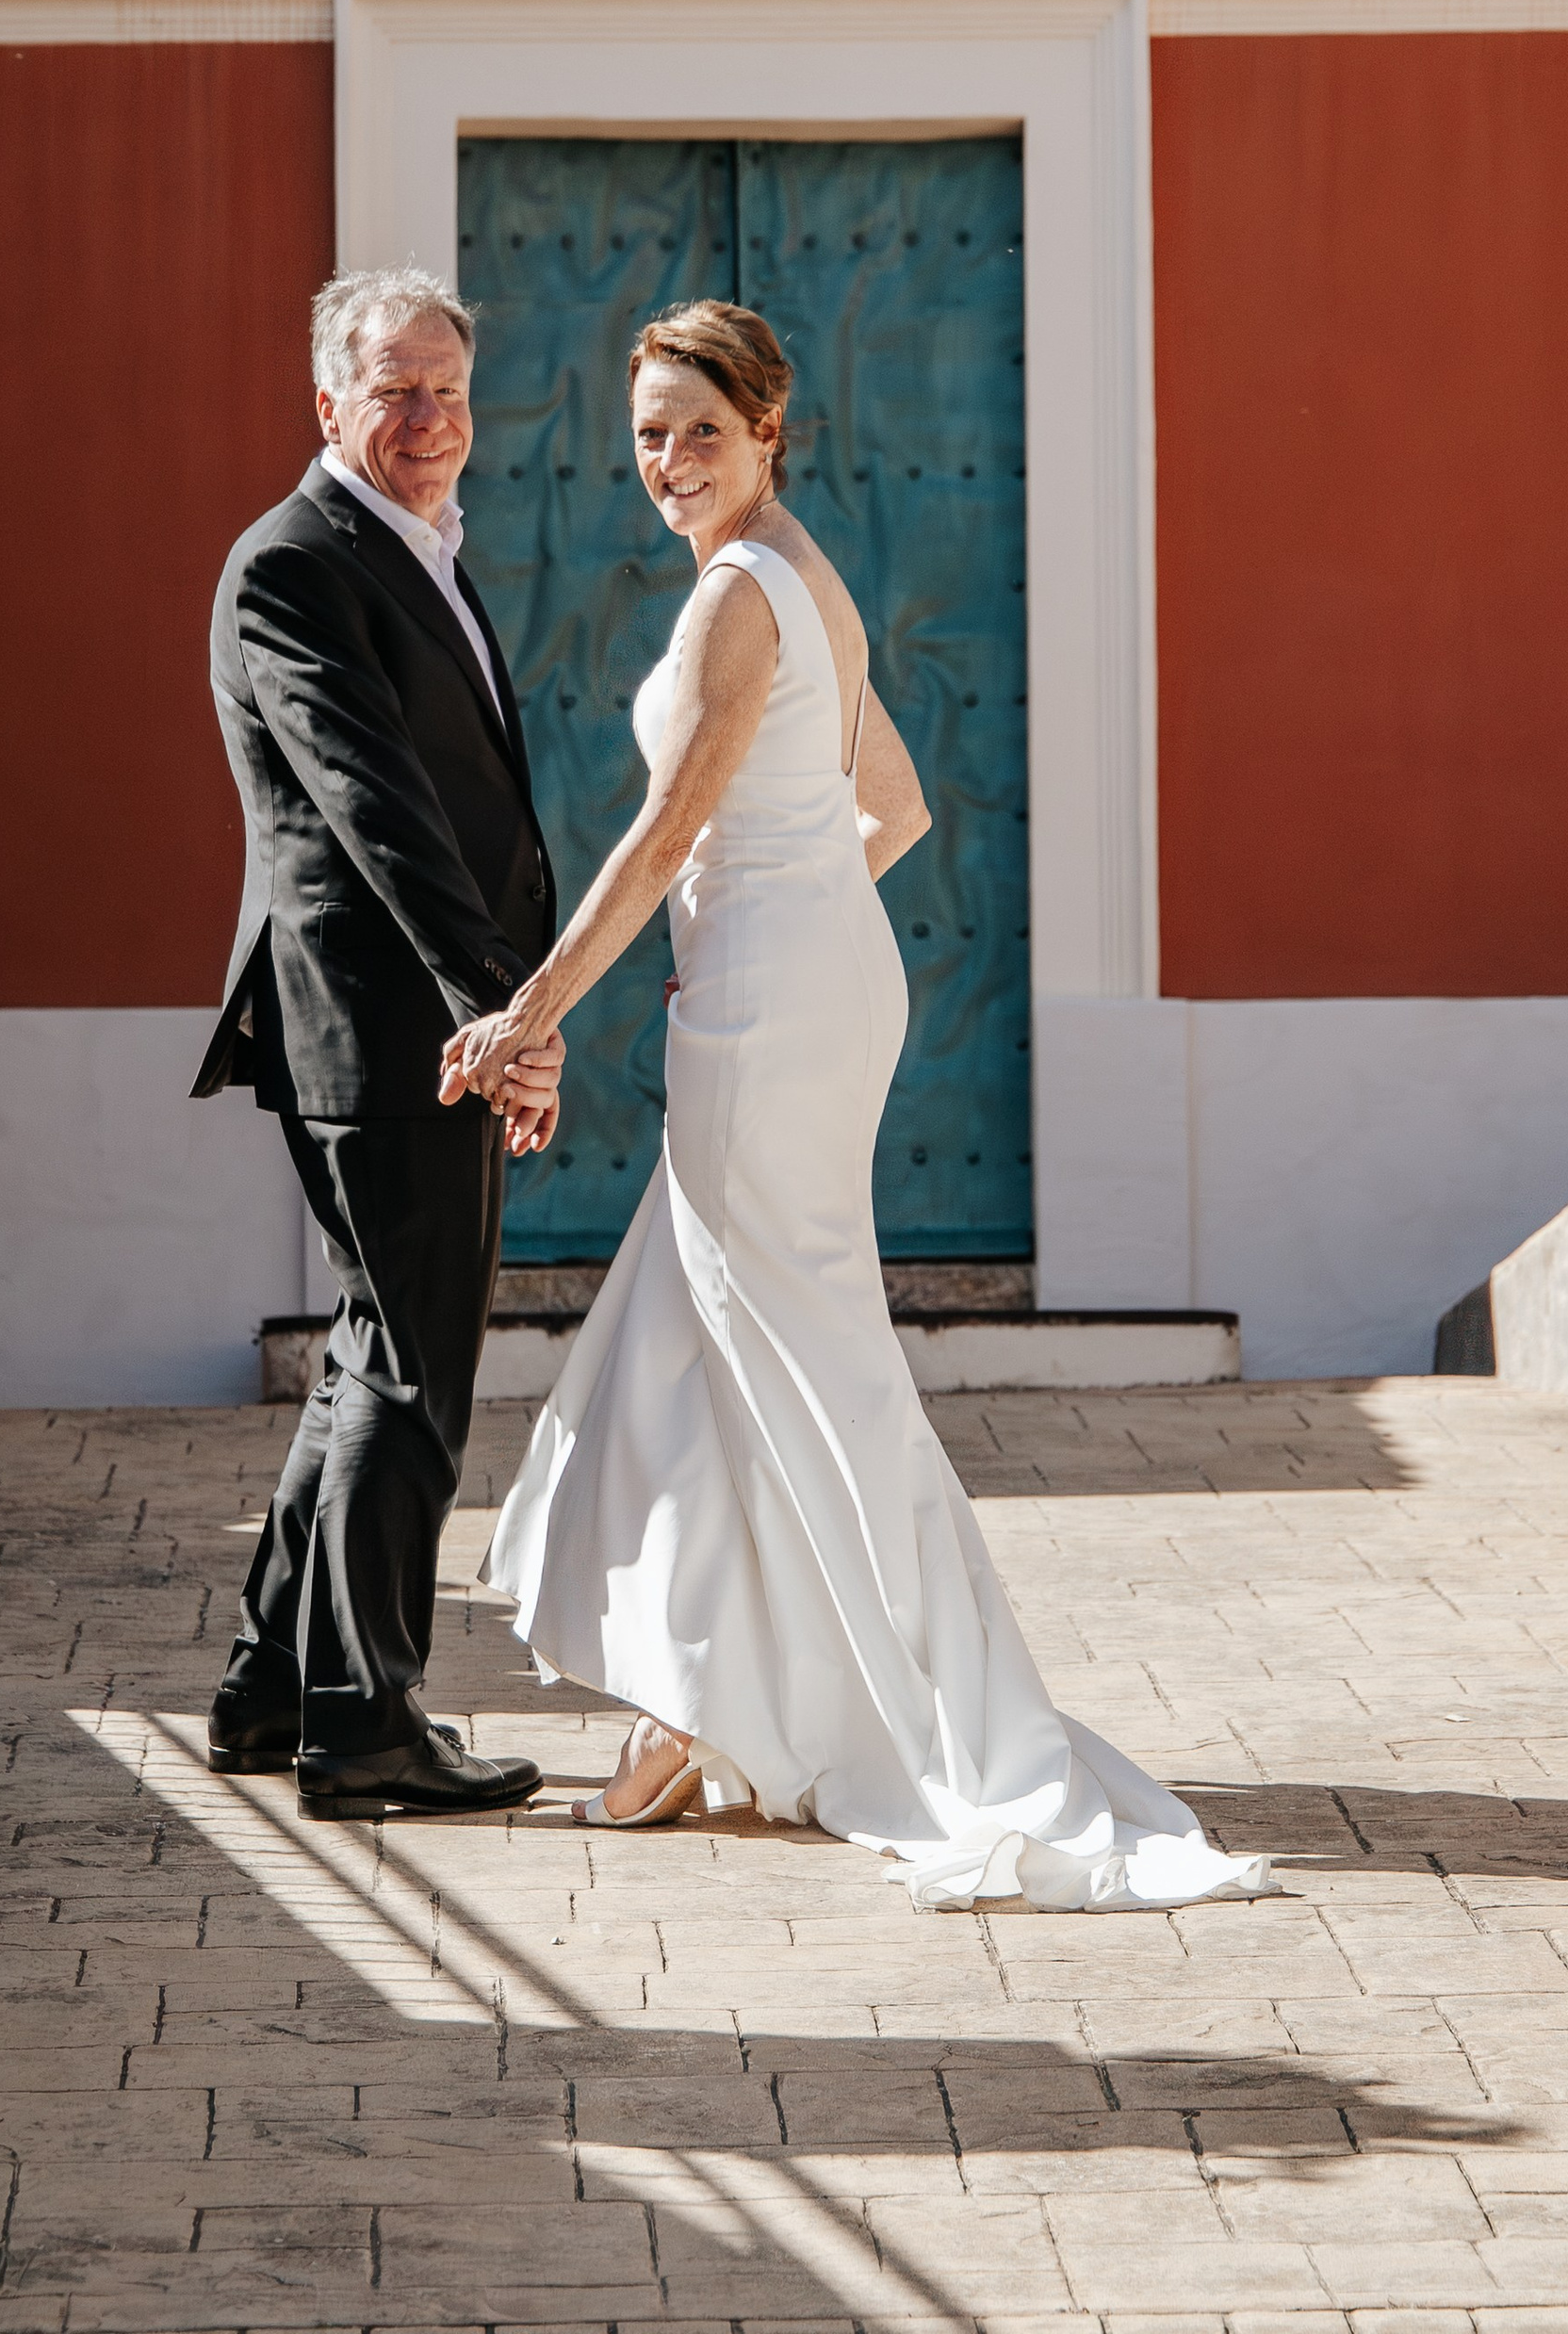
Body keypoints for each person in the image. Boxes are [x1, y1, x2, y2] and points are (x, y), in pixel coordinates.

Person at [445, 302, 1274, 1913]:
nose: (668, 462)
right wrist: (791, 909)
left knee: (802, 1368)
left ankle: (865, 1710)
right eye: (647, 437)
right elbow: (891, 803)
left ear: (769, 429)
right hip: (812, 990)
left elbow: (663, 838)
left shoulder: (737, 609)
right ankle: (691, 1707)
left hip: (766, 1020)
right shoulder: (809, 579)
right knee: (698, 1346)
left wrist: (533, 1011)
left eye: (698, 428)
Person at [191, 267, 564, 1820]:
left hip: (421, 1019)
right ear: (327, 403)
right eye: (396, 391)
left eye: (451, 393)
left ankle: (276, 1693)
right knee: (413, 1376)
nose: (430, 422)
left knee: (370, 1356)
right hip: (395, 1025)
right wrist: (505, 1006)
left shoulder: (408, 546)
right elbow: (373, 805)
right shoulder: (294, 565)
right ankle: (367, 1728)